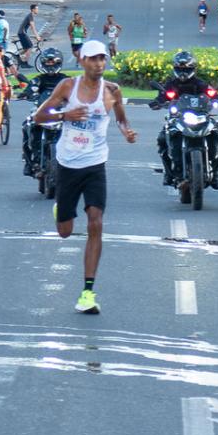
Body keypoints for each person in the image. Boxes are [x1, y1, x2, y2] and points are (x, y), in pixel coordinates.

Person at [32, 42, 137, 315]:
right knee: (65, 231)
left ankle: (88, 292)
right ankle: (60, 211)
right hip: (68, 164)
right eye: (93, 59)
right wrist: (65, 115)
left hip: (95, 164)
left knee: (96, 221)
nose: (99, 64)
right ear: (82, 61)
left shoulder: (113, 91)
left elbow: (122, 120)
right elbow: (38, 116)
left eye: (102, 58)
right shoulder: (68, 87)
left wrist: (127, 132)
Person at [150, 51, 218, 188]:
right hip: (178, 119)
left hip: (201, 117)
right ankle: (169, 173)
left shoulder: (200, 84)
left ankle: (214, 171)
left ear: (193, 69)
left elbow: (213, 93)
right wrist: (157, 102)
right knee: (162, 139)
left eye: (186, 69)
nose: (183, 72)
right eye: (179, 69)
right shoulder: (170, 85)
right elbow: (162, 96)